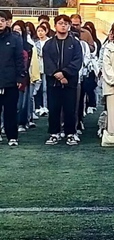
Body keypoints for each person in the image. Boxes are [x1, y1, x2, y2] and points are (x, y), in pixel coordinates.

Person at [43, 15, 84, 146]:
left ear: (69, 26)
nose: (63, 26)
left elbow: (77, 61)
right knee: (53, 108)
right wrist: (57, 74)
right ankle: (54, 133)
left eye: (66, 24)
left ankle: (70, 133)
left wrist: (65, 73)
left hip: (70, 82)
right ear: (55, 25)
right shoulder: (48, 44)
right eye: (60, 23)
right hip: (53, 82)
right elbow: (47, 61)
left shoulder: (75, 43)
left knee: (70, 109)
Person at [0, 10, 25, 146]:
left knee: (10, 110)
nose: (0, 23)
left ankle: (12, 137)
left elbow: (19, 59)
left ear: (7, 22)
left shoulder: (15, 38)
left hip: (10, 81)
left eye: (2, 20)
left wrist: (20, 77)